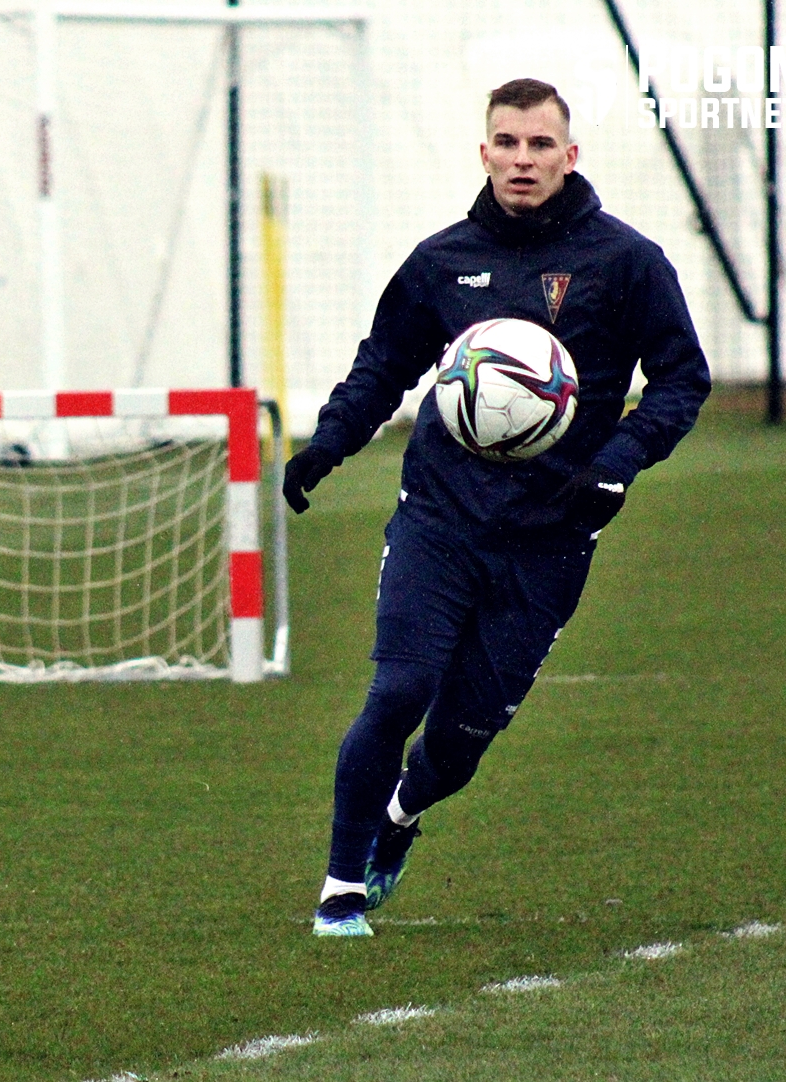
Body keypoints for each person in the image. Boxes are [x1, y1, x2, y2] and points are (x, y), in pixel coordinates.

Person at [284, 79, 711, 937]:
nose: (523, 160)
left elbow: (682, 378)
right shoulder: (442, 261)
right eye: (507, 144)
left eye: (540, 144)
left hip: (551, 539)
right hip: (440, 520)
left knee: (461, 739)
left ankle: (401, 814)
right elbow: (384, 365)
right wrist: (329, 442)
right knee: (399, 688)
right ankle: (340, 889)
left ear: (570, 155)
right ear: (484, 153)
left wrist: (616, 464)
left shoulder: (627, 262)